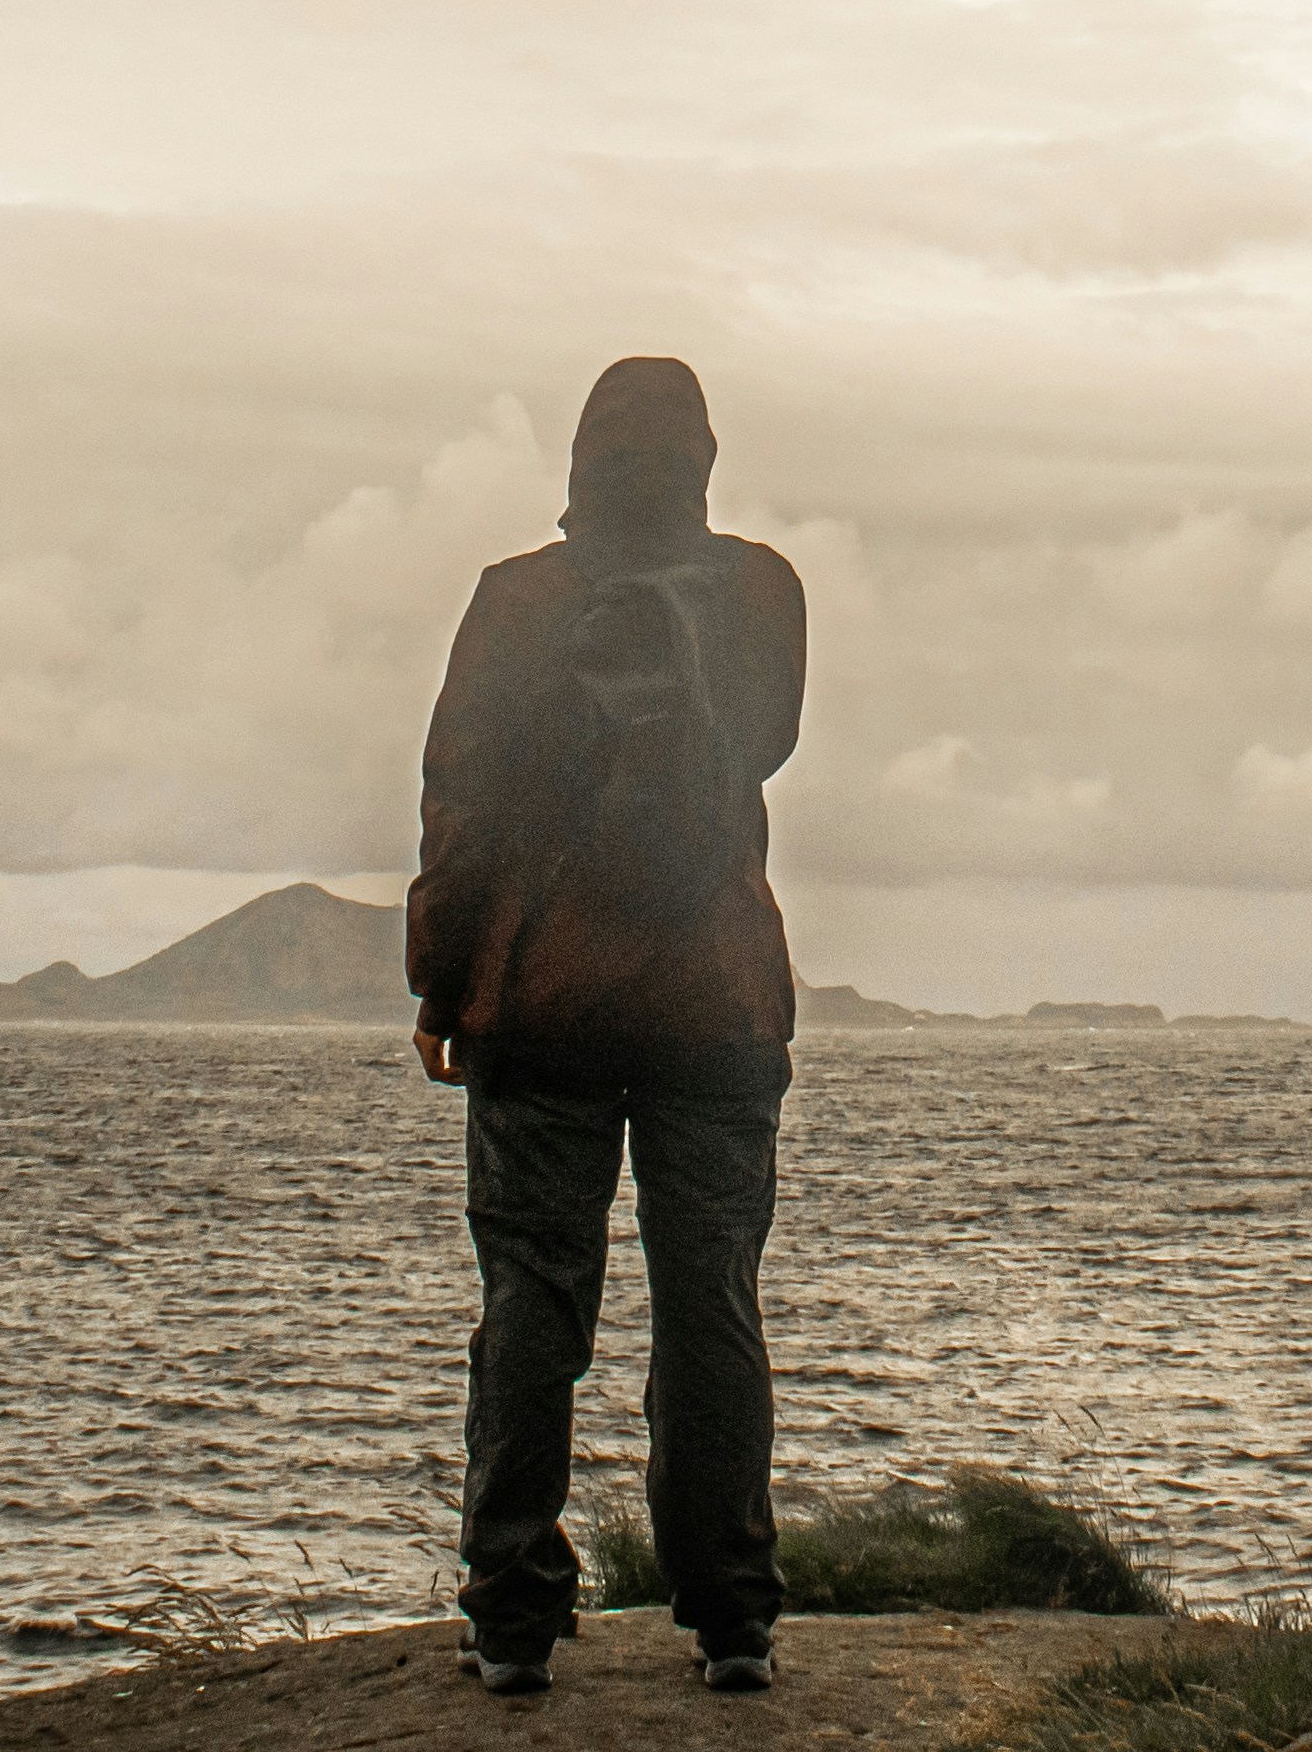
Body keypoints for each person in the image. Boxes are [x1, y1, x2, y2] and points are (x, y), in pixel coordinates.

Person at [407, 355, 812, 1698]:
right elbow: (757, 745)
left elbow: (460, 806)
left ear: (578, 457)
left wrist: (438, 983)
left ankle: (512, 1618)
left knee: (531, 1303)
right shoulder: (761, 592)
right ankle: (734, 1618)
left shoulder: (516, 601)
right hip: (716, 1001)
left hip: (544, 998)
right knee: (711, 1305)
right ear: (700, 455)